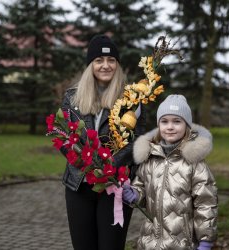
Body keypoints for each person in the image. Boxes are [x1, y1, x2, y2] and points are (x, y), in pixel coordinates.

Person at [59, 34, 146, 250]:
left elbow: (139, 142)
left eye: (111, 61)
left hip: (114, 186)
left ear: (117, 65)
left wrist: (110, 166)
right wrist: (86, 164)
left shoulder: (131, 99)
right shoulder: (72, 97)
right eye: (99, 60)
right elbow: (62, 135)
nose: (105, 66)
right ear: (91, 65)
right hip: (79, 186)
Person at [122, 94, 218, 250]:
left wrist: (205, 240)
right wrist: (134, 194)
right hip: (150, 242)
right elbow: (141, 189)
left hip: (182, 243)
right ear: (158, 125)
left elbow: (206, 204)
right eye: (164, 121)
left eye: (177, 121)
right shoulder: (150, 158)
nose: (170, 126)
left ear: (187, 125)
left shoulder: (194, 163)